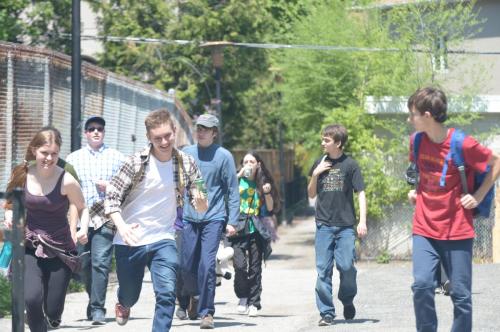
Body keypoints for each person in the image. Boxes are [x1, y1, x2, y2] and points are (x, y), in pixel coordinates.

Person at [104, 109, 208, 332]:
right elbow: (111, 196)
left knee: (167, 293)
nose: (164, 142)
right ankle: (124, 302)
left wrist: (200, 201)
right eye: (157, 138)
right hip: (129, 238)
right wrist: (121, 226)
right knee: (130, 294)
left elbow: (201, 200)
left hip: (163, 237)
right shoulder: (135, 163)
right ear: (149, 138)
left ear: (174, 131)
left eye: (167, 136)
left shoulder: (186, 163)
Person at [406, 87, 500, 332]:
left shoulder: (461, 142)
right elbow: (420, 173)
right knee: (422, 285)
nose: (409, 119)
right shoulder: (415, 141)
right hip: (424, 226)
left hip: (457, 228)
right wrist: (416, 191)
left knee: (461, 296)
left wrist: (478, 196)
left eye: (412, 114)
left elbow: (496, 162)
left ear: (427, 115)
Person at [3, 126, 89, 332]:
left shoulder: (66, 180)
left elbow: (83, 208)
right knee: (32, 298)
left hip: (59, 250)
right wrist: (9, 216)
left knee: (52, 311)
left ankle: (48, 319)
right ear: (34, 150)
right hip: (29, 246)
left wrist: (82, 228)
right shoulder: (22, 174)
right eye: (44, 153)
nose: (49, 158)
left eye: (54, 154)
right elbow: (9, 203)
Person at [176, 114, 240, 329]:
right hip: (189, 217)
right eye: (199, 128)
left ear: (214, 132)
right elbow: (176, 181)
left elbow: (232, 190)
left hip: (214, 217)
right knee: (185, 265)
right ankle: (194, 295)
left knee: (206, 265)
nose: (201, 131)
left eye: (206, 129)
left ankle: (207, 313)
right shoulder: (186, 153)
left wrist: (232, 221)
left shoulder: (224, 156)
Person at [66, 116, 125, 324]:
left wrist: (110, 186)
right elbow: (66, 190)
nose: (96, 132)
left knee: (101, 262)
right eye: (91, 129)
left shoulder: (117, 157)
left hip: (106, 216)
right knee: (84, 263)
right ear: (86, 133)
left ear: (104, 132)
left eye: (99, 128)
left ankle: (98, 309)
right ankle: (94, 301)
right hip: (82, 218)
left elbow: (128, 187)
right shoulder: (73, 159)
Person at [307, 124, 367, 326]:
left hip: (345, 227)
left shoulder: (350, 165)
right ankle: (327, 313)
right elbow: (311, 194)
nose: (322, 143)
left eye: (326, 140)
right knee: (323, 270)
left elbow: (361, 193)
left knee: (346, 266)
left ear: (338, 143)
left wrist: (363, 221)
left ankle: (347, 299)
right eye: (322, 139)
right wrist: (315, 173)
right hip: (323, 225)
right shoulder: (319, 162)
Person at [228, 151, 280, 318]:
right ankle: (243, 296)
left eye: (252, 161)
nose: (248, 164)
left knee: (255, 268)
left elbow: (271, 208)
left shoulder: (263, 183)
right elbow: (225, 190)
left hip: (256, 227)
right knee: (240, 266)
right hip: (239, 227)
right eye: (245, 162)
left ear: (258, 164)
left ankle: (254, 303)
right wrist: (239, 174)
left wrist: (266, 193)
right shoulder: (237, 180)